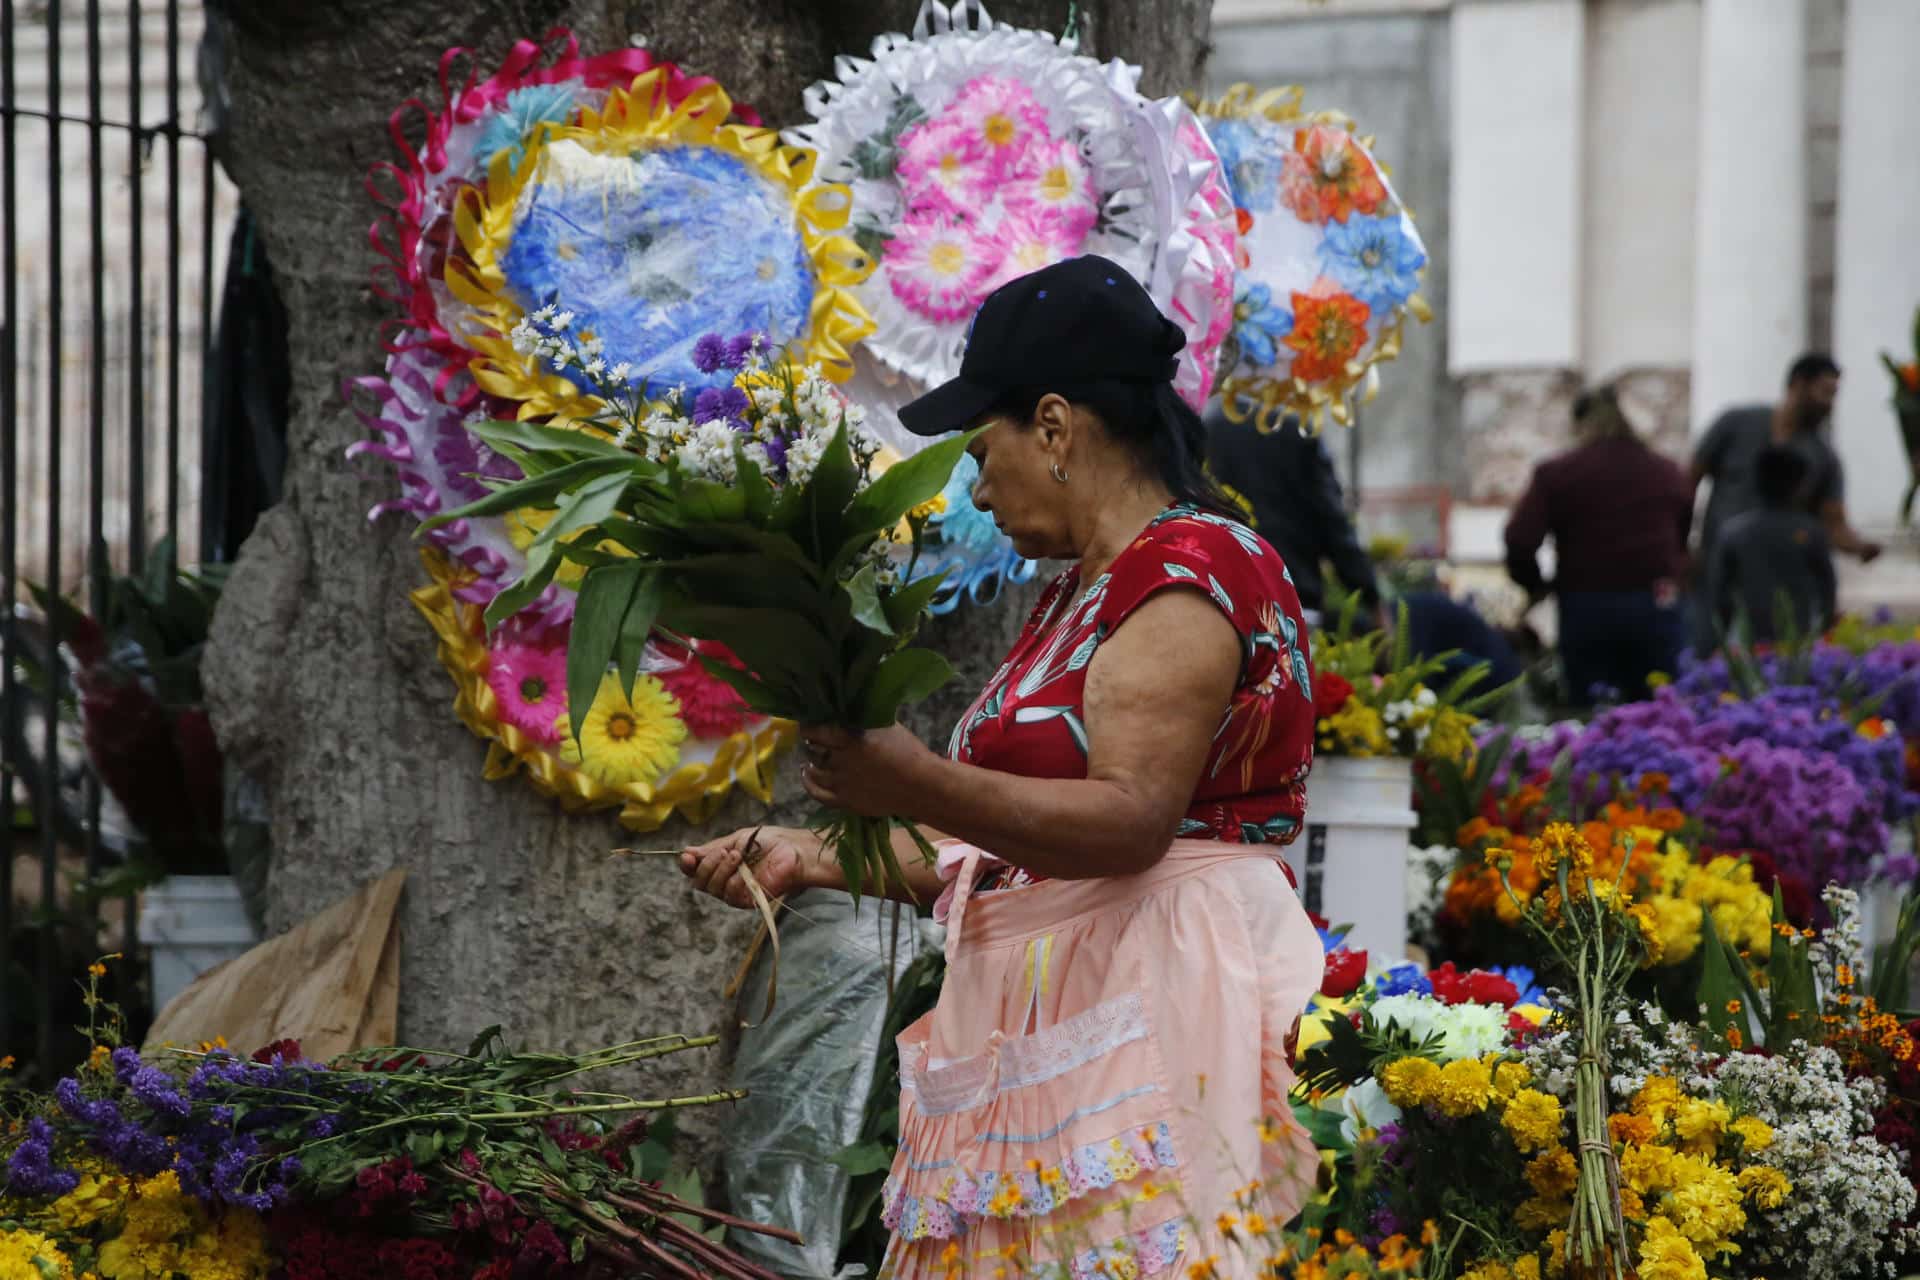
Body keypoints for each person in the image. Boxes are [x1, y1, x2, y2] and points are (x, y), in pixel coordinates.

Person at [680, 256, 1323, 1278]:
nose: (978, 485)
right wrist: (808, 854)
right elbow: (1002, 850)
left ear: (1058, 427)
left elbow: (1128, 821)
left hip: (1157, 985)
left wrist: (916, 777)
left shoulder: (1188, 572)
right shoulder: (1084, 589)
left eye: (986, 450)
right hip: (1061, 992)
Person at [1504, 384, 1692, 705]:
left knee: (1591, 715)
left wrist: (1535, 586)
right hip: (1656, 604)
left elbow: (1519, 539)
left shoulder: (1558, 473)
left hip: (1587, 606)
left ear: (1580, 425)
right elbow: (1682, 538)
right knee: (1661, 712)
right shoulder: (1667, 472)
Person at [1692, 352, 1880, 569]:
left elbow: (1834, 523)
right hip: (1719, 566)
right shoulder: (1735, 424)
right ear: (1799, 384)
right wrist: (1682, 547)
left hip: (1779, 574)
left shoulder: (1824, 457)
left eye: (1834, 395)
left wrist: (1859, 546)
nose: (1830, 405)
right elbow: (1689, 481)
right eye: (1825, 393)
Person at [1203, 407, 1381, 623]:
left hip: (1224, 601)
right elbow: (1332, 521)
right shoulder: (1298, 430)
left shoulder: (1208, 426)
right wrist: (1371, 597)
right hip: (1295, 599)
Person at [1705, 446, 1837, 646]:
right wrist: (1824, 630)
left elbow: (1719, 595)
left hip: (1747, 643)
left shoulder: (1734, 532)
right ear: (1799, 485)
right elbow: (1827, 588)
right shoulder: (1810, 531)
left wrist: (1719, 640)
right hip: (1798, 642)